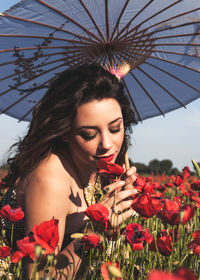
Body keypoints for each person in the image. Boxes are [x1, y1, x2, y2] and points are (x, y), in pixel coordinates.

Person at [1, 63, 138, 278]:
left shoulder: (97, 167)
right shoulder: (50, 180)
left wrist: (113, 222)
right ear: (64, 132)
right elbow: (39, 276)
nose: (107, 144)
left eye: (115, 128)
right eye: (89, 135)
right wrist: (94, 230)